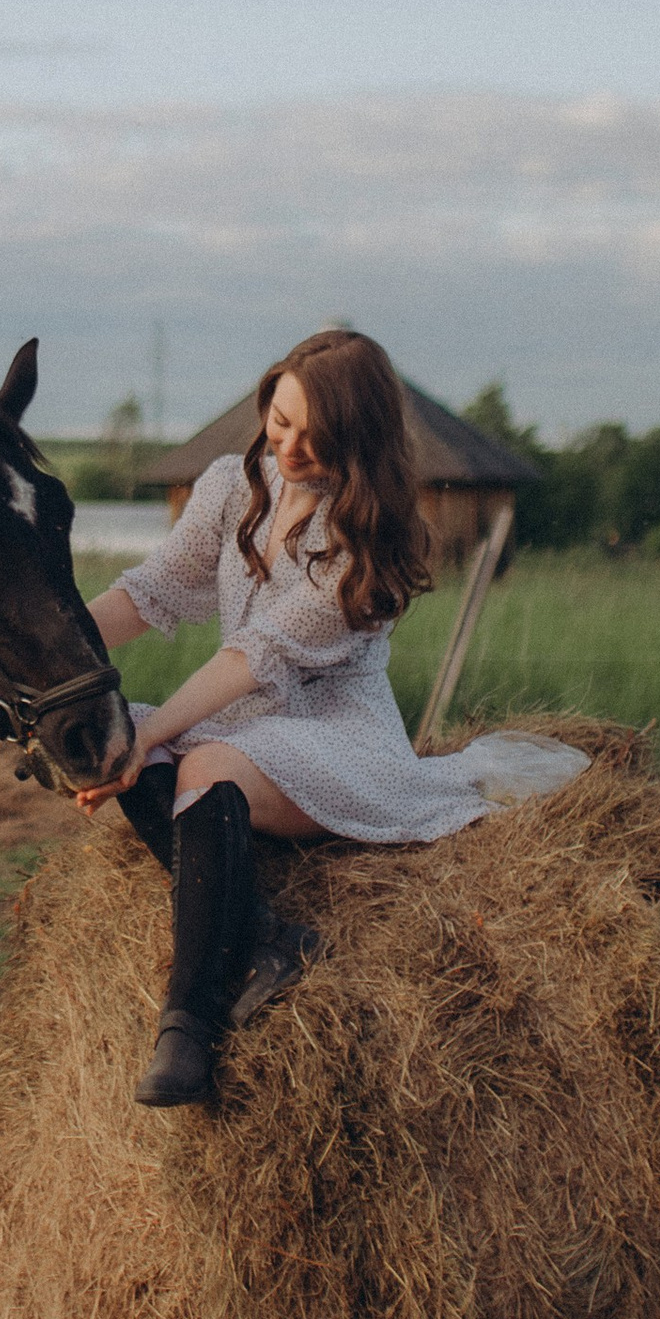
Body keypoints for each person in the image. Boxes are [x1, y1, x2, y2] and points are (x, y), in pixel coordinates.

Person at [83, 327, 583, 1109]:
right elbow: (151, 592)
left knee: (191, 760)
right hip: (241, 730)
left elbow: (254, 655)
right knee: (112, 741)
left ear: (361, 438)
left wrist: (155, 732)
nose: (289, 448)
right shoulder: (230, 484)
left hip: (338, 743)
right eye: (280, 423)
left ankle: (187, 1026)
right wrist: (44, 641)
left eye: (316, 438)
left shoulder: (372, 541)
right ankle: (267, 941)